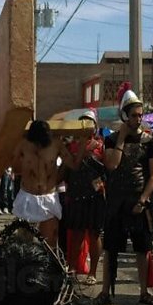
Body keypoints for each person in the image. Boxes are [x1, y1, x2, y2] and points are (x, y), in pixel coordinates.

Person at [99, 88, 153, 305]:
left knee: (142, 249)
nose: (138, 119)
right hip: (116, 202)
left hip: (137, 202)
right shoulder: (112, 140)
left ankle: (144, 292)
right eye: (134, 115)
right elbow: (112, 165)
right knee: (110, 249)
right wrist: (122, 137)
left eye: (140, 115)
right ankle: (105, 292)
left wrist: (143, 200)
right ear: (125, 116)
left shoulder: (150, 142)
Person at [59, 115, 105, 283]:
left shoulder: (101, 145)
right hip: (76, 194)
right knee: (76, 234)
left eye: (89, 122)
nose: (86, 125)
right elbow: (65, 170)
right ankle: (72, 267)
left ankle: (92, 272)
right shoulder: (71, 146)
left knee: (94, 234)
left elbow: (107, 170)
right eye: (82, 122)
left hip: (95, 196)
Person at [11, 119, 62, 246]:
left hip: (48, 197)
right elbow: (15, 169)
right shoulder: (23, 145)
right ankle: (25, 264)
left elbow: (73, 164)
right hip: (28, 196)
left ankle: (49, 264)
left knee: (49, 243)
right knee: (23, 242)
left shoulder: (56, 145)